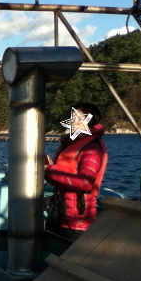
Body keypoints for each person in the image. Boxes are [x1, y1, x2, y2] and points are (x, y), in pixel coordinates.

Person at [44, 102, 108, 240]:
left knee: (66, 254)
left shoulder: (91, 147)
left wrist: (50, 171)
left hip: (77, 220)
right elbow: (62, 172)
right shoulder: (71, 143)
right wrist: (47, 167)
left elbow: (85, 182)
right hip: (60, 213)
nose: (73, 121)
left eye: (78, 118)